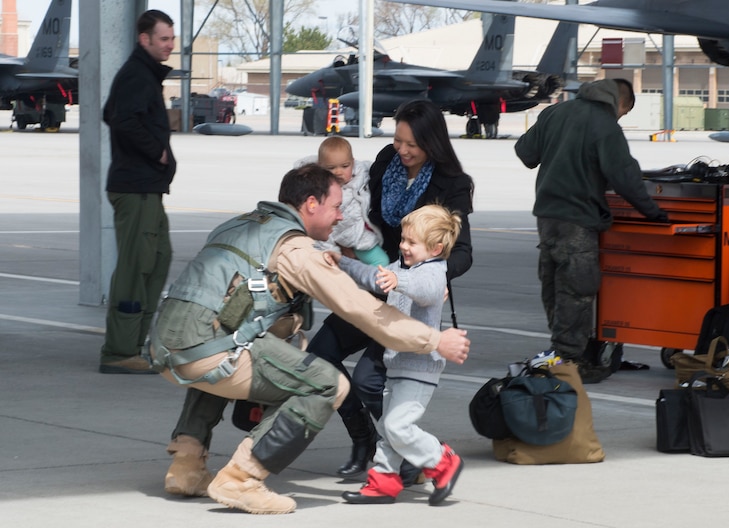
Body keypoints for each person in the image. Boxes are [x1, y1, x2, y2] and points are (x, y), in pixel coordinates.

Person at [150, 164, 471, 515]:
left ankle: (186, 464)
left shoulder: (242, 225)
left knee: (223, 346)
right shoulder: (296, 250)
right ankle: (242, 478)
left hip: (167, 347)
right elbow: (360, 308)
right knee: (327, 385)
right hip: (207, 353)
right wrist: (433, 340)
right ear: (312, 204)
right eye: (336, 207)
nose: (340, 216)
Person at [306, 99, 474, 478]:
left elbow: (462, 253)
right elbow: (358, 207)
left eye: (411, 144)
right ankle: (365, 439)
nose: (402, 150)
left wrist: (433, 275)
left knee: (368, 378)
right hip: (372, 281)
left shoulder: (452, 184)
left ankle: (407, 453)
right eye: (397, 140)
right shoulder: (386, 163)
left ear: (432, 142)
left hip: (406, 295)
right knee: (320, 356)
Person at [514, 78, 668, 384]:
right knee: (577, 287)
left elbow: (525, 152)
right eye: (623, 113)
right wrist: (654, 213)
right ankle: (571, 360)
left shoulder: (555, 112)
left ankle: (560, 351)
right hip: (578, 219)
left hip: (546, 216)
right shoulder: (605, 124)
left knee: (554, 282)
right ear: (621, 103)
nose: (620, 118)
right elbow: (624, 176)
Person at [334, 204, 465, 506]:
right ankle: (383, 481)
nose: (403, 246)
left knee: (397, 426)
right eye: (403, 240)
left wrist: (399, 281)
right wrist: (340, 262)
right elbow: (372, 276)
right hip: (397, 364)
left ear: (436, 247)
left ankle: (442, 461)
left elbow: (426, 291)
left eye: (411, 242)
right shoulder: (402, 269)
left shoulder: (433, 271)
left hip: (421, 367)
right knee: (388, 429)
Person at [99, 10, 177, 374]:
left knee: (157, 259)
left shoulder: (142, 75)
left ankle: (135, 343)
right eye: (163, 38)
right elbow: (120, 118)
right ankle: (119, 350)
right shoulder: (136, 75)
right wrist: (156, 150)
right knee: (135, 267)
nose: (169, 45)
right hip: (137, 189)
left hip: (147, 188)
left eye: (171, 38)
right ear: (144, 39)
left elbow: (109, 112)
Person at [296, 136, 389, 266]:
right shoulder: (316, 188)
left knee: (382, 261)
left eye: (345, 166)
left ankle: (367, 282)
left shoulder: (361, 178)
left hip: (359, 238)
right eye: (331, 168)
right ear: (319, 167)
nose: (338, 172)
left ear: (353, 162)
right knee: (328, 264)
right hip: (327, 238)